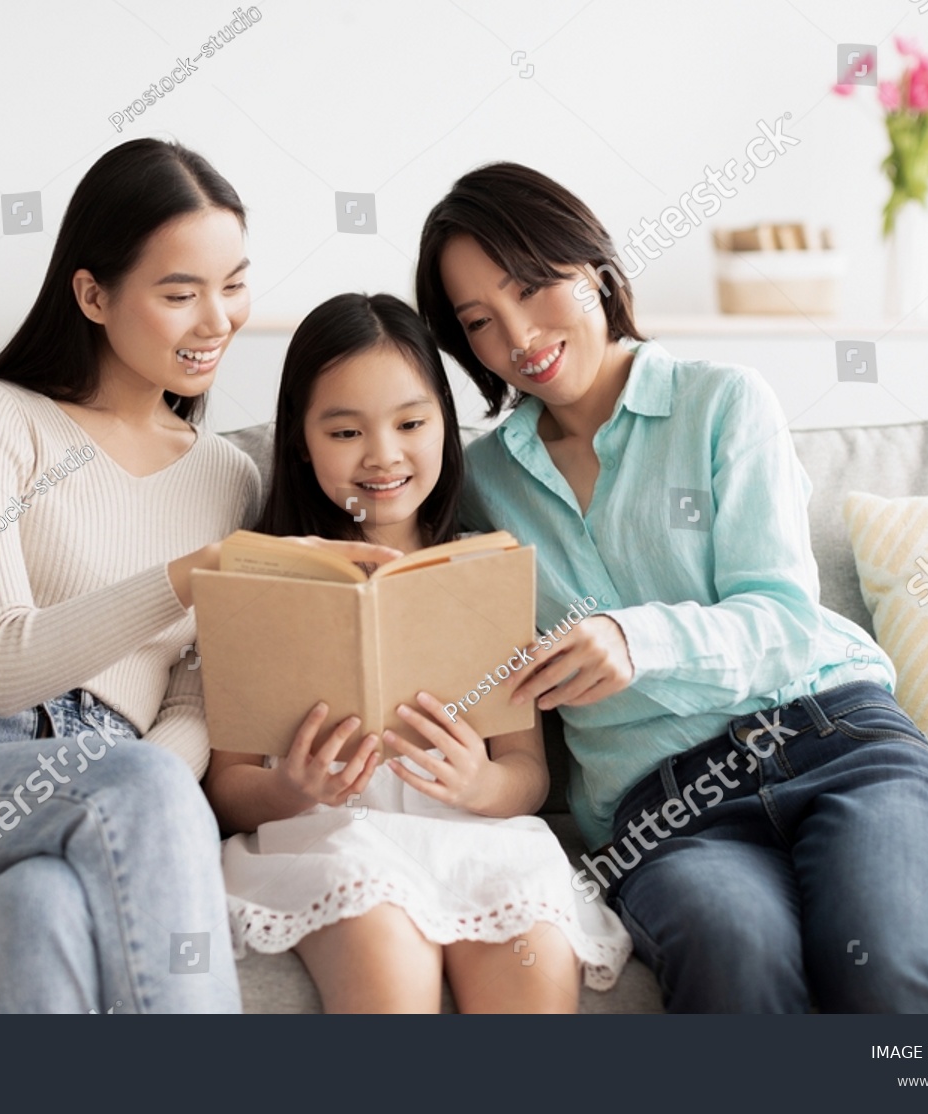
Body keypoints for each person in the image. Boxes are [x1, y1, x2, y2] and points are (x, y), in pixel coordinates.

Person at [0, 139, 388, 1014]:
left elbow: (192, 705)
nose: (217, 320)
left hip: (103, 793)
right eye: (179, 293)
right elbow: (2, 665)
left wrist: (135, 801)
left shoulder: (228, 478)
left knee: (36, 911)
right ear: (92, 295)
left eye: (233, 284)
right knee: (139, 786)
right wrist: (199, 575)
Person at [415, 162, 928, 1013]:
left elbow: (786, 619)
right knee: (736, 964)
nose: (520, 337)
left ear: (598, 270)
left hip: (837, 743)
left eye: (535, 288)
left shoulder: (723, 404)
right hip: (668, 810)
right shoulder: (480, 482)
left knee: (882, 969)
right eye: (479, 322)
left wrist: (633, 639)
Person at [204, 292, 633, 1014]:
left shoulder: (484, 568)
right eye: (345, 432)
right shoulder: (259, 577)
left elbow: (525, 771)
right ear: (301, 440)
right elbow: (229, 786)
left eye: (411, 423)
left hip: (476, 837)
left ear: (445, 426)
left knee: (528, 942)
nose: (383, 455)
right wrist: (295, 789)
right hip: (332, 838)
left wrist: (478, 786)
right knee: (381, 943)